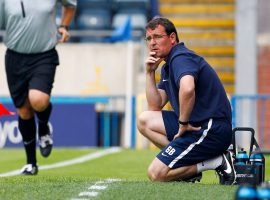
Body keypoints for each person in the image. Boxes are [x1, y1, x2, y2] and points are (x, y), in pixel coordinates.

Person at [137, 17, 236, 185]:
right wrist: (149, 73)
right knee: (144, 120)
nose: (152, 43)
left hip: (210, 128)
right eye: (149, 38)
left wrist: (183, 123)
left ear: (172, 38)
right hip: (196, 125)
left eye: (157, 37)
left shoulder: (180, 57)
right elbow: (155, 105)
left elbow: (188, 88)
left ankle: (218, 160)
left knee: (156, 174)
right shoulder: (168, 65)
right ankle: (185, 167)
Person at [0, 0, 77, 175]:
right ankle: (31, 164)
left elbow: (70, 5)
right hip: (14, 57)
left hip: (44, 55)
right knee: (24, 111)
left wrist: (64, 26)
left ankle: (43, 128)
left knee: (38, 100)